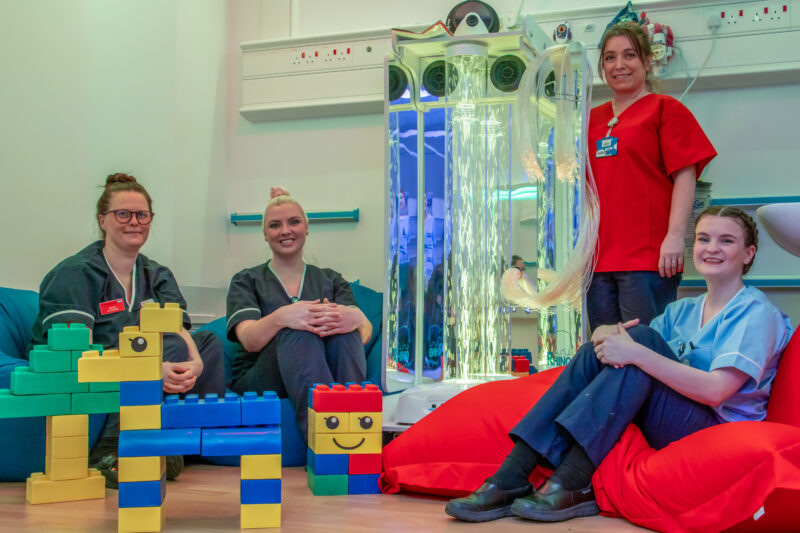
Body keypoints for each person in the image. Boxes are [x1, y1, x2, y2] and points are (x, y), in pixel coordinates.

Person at [445, 206, 792, 523]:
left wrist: (636, 352)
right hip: (677, 413)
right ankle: (512, 475)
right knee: (606, 346)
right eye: (703, 239)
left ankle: (573, 479)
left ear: (748, 254)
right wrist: (606, 336)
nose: (712, 248)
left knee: (638, 343)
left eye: (726, 241)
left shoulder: (754, 311)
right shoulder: (681, 311)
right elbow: (630, 361)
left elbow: (717, 391)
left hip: (716, 425)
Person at [30, 173, 225, 488]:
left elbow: (178, 328)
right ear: (103, 220)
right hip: (84, 366)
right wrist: (149, 368)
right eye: (123, 214)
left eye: (142, 215)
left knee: (207, 344)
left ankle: (176, 439)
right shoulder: (76, 273)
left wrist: (196, 361)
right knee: (165, 348)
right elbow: (76, 351)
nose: (134, 222)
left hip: (142, 364)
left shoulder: (156, 273)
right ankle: (111, 450)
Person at [586, 22, 717, 332]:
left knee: (643, 351)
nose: (619, 65)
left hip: (648, 258)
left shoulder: (664, 109)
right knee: (603, 351)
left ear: (647, 61)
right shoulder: (591, 119)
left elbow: (686, 175)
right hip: (596, 259)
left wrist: (674, 237)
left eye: (629, 55)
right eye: (609, 57)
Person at [226, 187, 371, 442]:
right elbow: (248, 340)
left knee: (346, 333)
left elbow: (364, 332)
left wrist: (358, 320)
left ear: (306, 227)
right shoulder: (246, 280)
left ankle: (354, 430)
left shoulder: (331, 279)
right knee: (297, 333)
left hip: (325, 372)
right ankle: (328, 441)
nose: (285, 231)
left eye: (293, 222)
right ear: (265, 234)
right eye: (275, 225)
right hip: (263, 379)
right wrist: (283, 317)